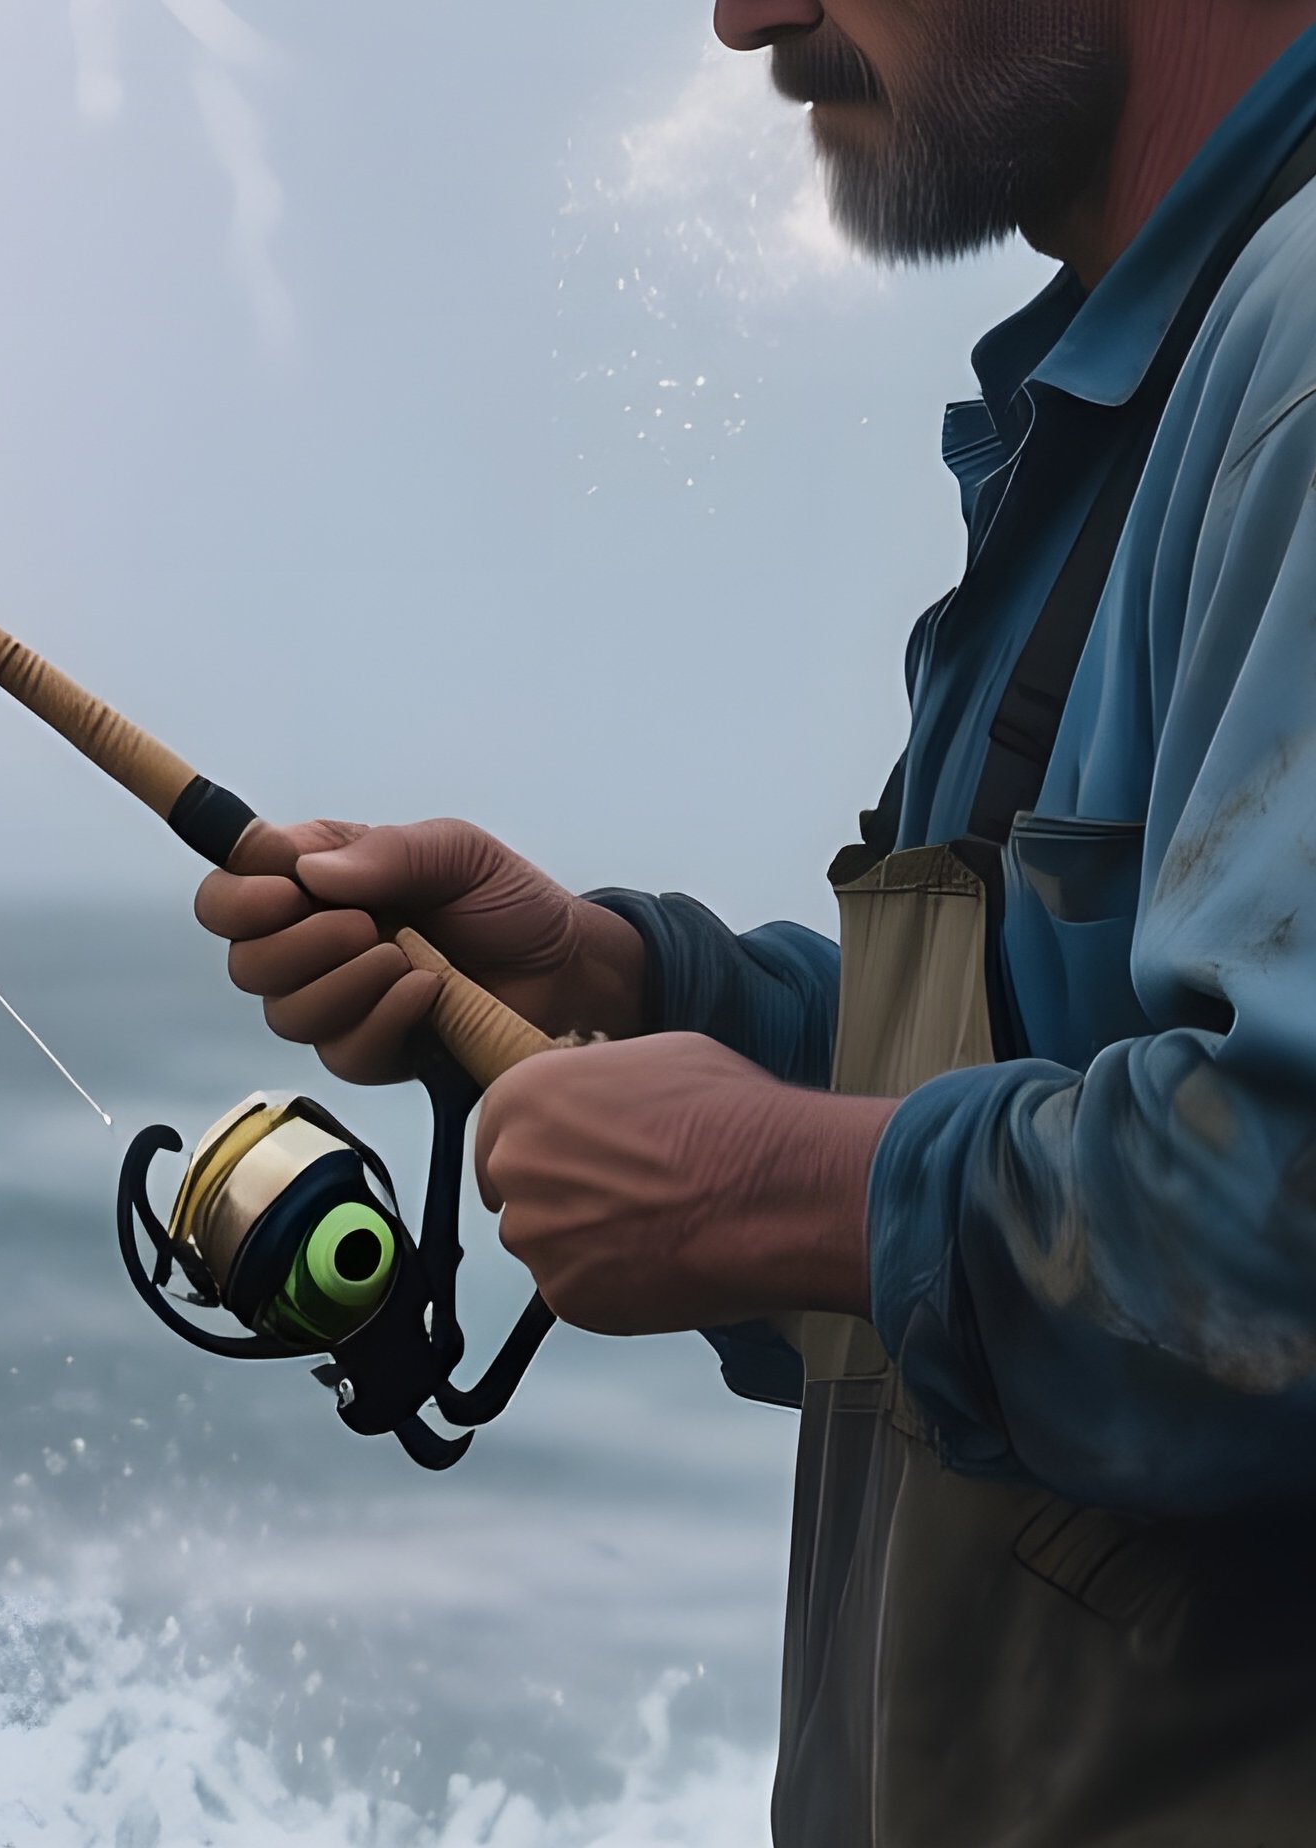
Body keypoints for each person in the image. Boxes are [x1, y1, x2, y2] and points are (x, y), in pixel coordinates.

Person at [197, 3, 1316, 1842]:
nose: (744, 11)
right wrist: (619, 994)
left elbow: (1283, 1217)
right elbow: (1049, 1083)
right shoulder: (1156, 385)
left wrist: (776, 1189)